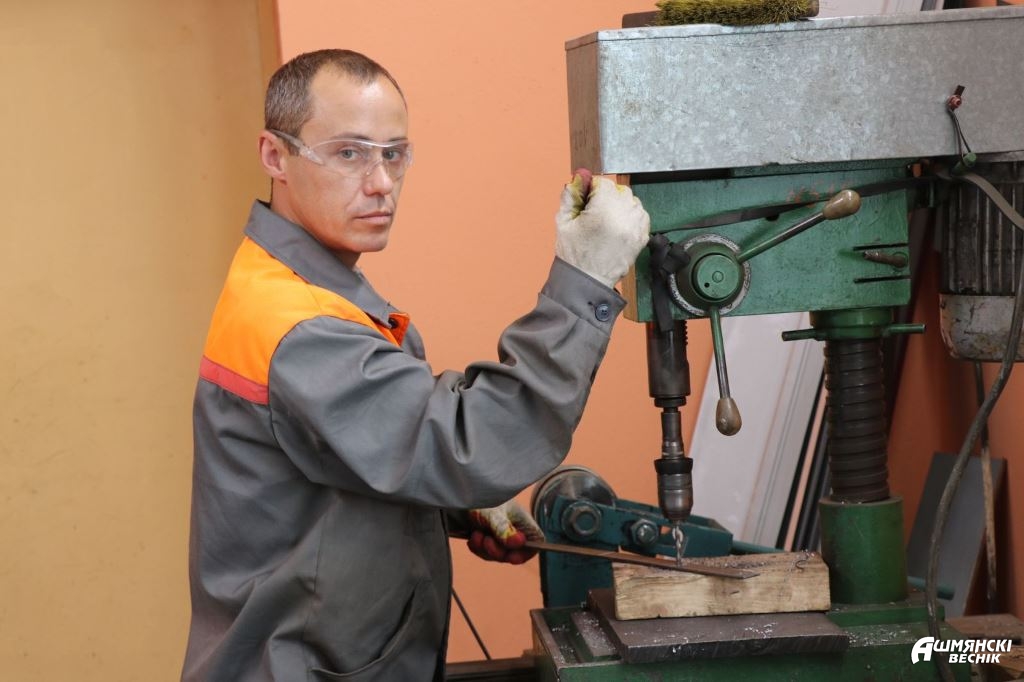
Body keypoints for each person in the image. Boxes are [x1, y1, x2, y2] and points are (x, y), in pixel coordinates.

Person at [181, 49, 649, 682]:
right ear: (275, 156)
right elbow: (473, 447)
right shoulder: (300, 326)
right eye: (349, 153)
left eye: (394, 154)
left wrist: (450, 507)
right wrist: (583, 281)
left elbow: (331, 459)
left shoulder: (295, 284)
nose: (381, 183)